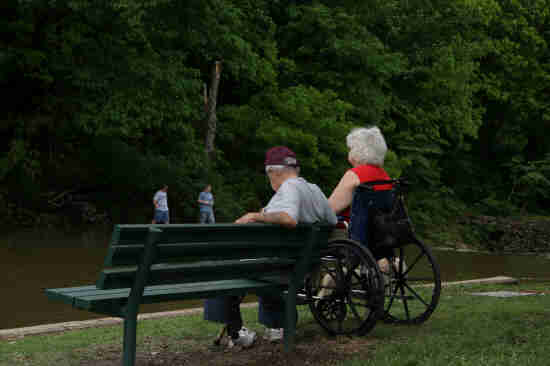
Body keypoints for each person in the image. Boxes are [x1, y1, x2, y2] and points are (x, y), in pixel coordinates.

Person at [204, 146, 337, 348]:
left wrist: (255, 216)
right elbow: (332, 221)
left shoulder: (289, 187)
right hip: (300, 266)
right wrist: (267, 213)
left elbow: (289, 218)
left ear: (274, 171)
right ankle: (277, 326)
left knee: (222, 267)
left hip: (277, 266)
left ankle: (237, 333)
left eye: (269, 176)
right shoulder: (315, 190)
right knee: (263, 263)